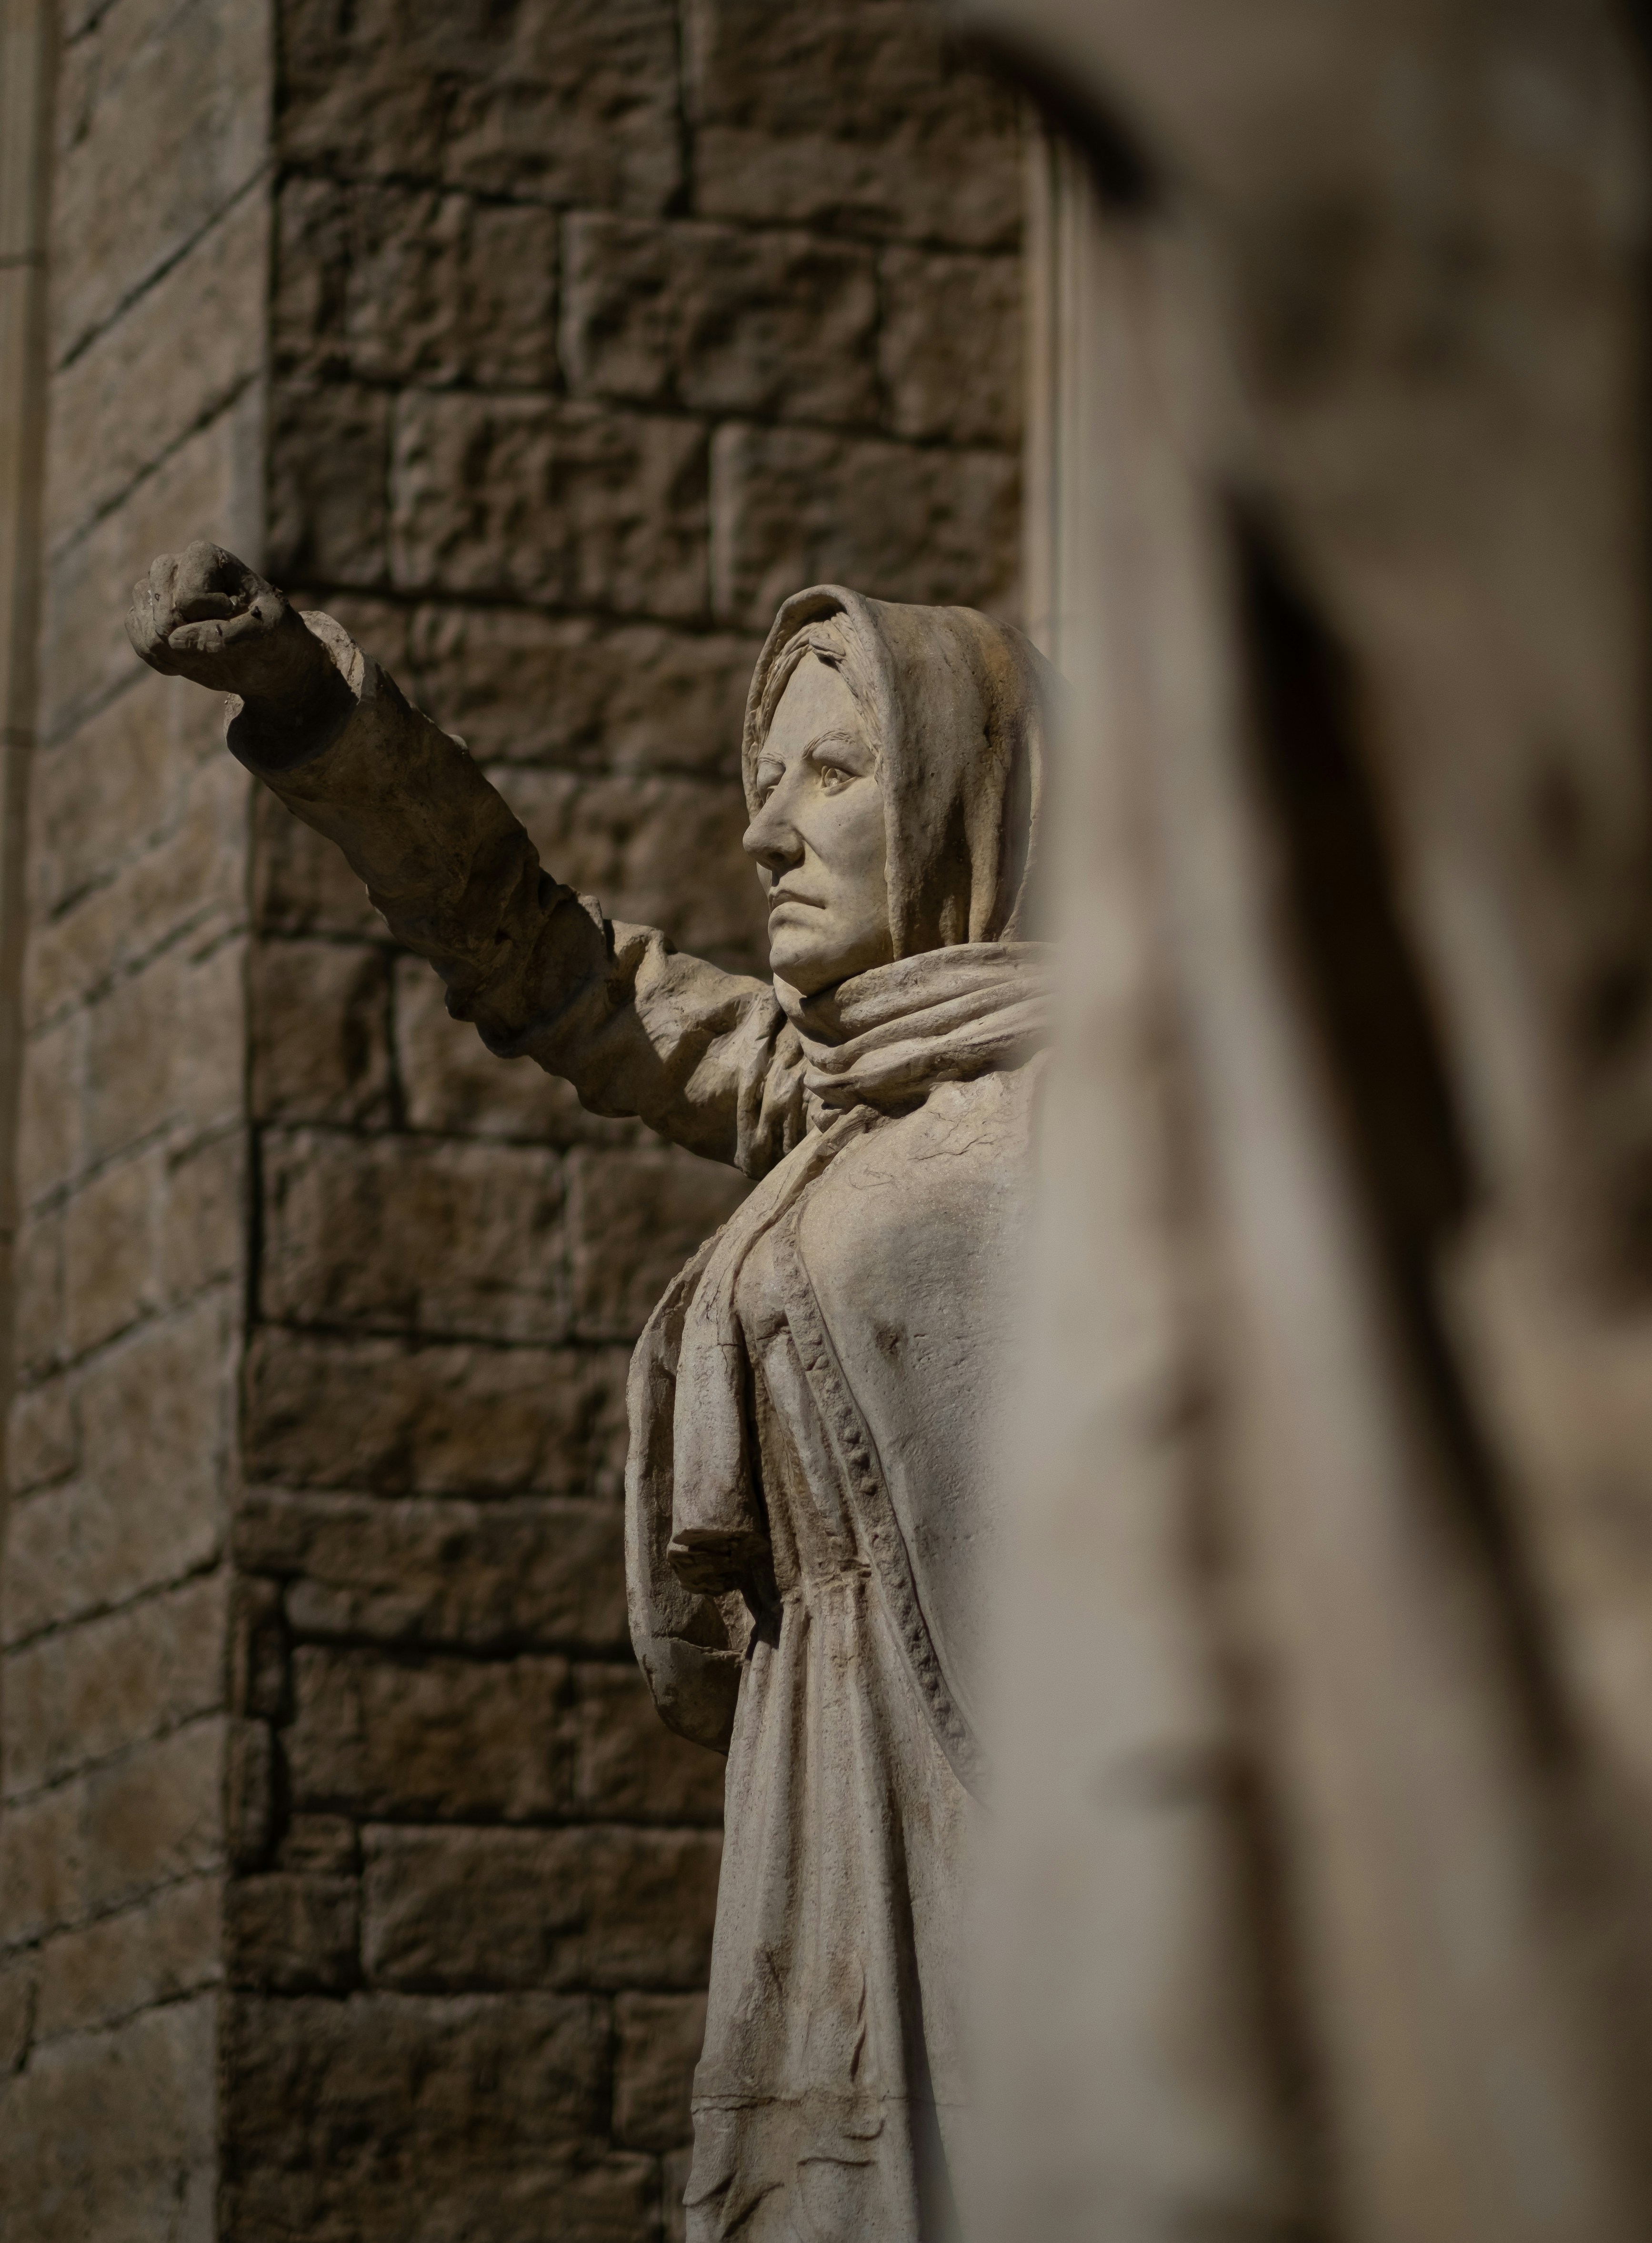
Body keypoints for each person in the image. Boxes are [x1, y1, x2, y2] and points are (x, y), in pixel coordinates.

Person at [128, 540, 1058, 2242]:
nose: (764, 833)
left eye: (835, 774)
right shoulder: (825, 1093)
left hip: (1039, 1846)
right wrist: (322, 710)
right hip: (820, 1785)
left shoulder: (1130, 1120)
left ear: (968, 799)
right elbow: (547, 964)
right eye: (764, 783)